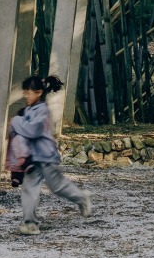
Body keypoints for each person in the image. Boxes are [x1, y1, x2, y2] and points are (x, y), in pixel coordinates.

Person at [9, 74, 92, 235]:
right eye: (25, 92)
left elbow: (32, 130)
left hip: (46, 156)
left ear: (39, 92)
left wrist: (17, 122)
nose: (26, 95)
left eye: (28, 92)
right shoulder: (27, 111)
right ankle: (30, 223)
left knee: (58, 187)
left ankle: (82, 199)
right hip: (31, 159)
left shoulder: (43, 111)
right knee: (29, 188)